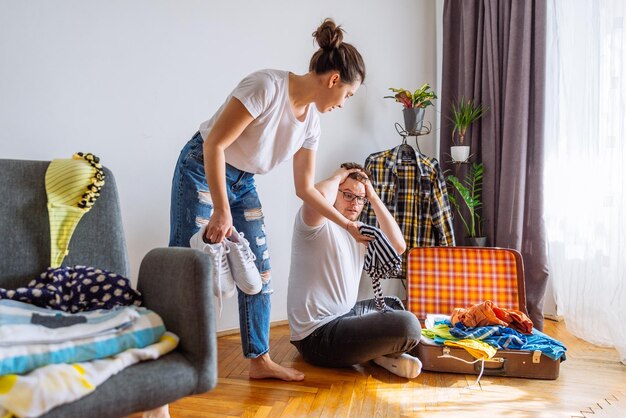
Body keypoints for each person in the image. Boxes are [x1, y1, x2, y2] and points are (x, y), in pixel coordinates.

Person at [169, 18, 367, 382]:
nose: (344, 104)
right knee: (187, 263)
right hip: (202, 165)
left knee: (259, 270)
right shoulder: (266, 86)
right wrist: (220, 209)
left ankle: (259, 361)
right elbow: (215, 144)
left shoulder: (311, 124)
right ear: (334, 80)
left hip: (244, 181)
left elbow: (305, 189)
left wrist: (348, 225)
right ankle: (174, 361)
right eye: (348, 96)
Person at [287, 163, 423, 378]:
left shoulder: (358, 231)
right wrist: (338, 174)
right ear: (336, 192)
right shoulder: (314, 224)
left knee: (394, 304)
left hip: (345, 317)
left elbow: (398, 246)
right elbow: (319, 194)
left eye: (360, 199)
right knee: (408, 325)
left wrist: (373, 196)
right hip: (316, 337)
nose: (355, 203)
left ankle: (379, 357)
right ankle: (383, 354)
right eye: (348, 195)